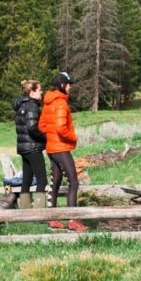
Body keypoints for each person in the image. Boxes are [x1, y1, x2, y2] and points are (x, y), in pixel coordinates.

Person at [39, 71, 87, 231]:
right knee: (73, 181)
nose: (70, 87)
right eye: (68, 84)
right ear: (62, 85)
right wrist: (73, 137)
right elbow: (60, 128)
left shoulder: (47, 102)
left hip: (51, 147)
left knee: (56, 180)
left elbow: (42, 126)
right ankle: (73, 220)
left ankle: (52, 218)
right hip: (60, 147)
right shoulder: (60, 103)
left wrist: (51, 136)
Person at [13, 79, 48, 209]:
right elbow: (32, 128)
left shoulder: (21, 105)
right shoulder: (32, 106)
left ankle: (25, 211)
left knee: (26, 180)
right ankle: (39, 213)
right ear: (32, 92)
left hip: (23, 148)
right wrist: (46, 137)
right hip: (32, 147)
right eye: (39, 90)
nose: (41, 92)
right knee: (42, 180)